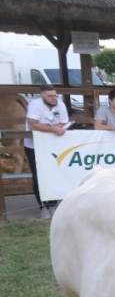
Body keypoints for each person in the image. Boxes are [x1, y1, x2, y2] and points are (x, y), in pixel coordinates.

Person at [24, 84, 68, 219]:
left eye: (55, 95)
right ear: (42, 96)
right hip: (34, 145)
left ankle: (53, 204)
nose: (54, 98)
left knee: (53, 173)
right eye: (50, 96)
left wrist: (47, 127)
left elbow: (64, 122)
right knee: (38, 176)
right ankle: (43, 206)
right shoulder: (35, 105)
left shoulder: (60, 105)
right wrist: (53, 129)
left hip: (52, 145)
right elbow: (33, 125)